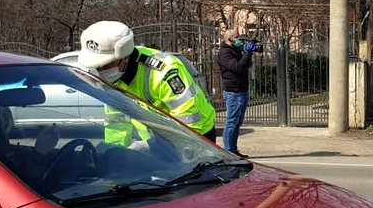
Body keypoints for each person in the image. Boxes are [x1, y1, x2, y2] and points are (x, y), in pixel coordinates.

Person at [75, 21, 218, 142]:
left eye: (107, 65)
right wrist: (115, 154)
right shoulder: (113, 79)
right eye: (97, 67)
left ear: (124, 57)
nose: (102, 71)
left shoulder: (163, 71)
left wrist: (174, 151)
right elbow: (117, 120)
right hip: (155, 138)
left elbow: (189, 118)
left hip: (197, 136)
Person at [217, 28, 255, 156]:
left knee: (237, 122)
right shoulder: (224, 53)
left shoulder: (235, 50)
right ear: (229, 39)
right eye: (237, 37)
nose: (239, 40)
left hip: (241, 90)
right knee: (232, 122)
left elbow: (246, 65)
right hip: (233, 91)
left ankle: (233, 149)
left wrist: (247, 53)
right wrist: (246, 54)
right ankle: (229, 151)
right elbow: (238, 67)